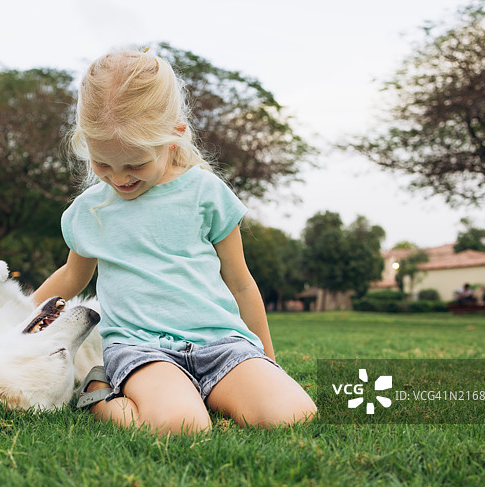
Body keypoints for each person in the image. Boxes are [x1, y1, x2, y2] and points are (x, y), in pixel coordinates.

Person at [32, 47, 316, 435]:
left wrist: (267, 360)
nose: (119, 178)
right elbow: (70, 278)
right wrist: (15, 320)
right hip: (141, 350)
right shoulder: (90, 210)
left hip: (221, 344)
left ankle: (200, 389)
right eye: (103, 164)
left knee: (293, 415)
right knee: (184, 427)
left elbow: (240, 282)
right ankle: (99, 390)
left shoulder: (206, 193)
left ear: (174, 136)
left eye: (134, 164)